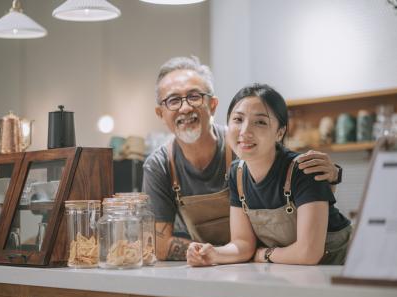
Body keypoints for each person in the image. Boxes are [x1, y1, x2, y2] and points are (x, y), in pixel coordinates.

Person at [143, 57, 343, 261]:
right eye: (173, 100)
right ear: (160, 113)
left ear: (213, 105)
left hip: (293, 264)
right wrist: (211, 254)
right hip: (244, 264)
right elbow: (159, 244)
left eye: (194, 96)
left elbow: (308, 239)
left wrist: (333, 175)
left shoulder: (247, 147)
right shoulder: (162, 166)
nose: (185, 108)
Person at [186, 83, 352, 266]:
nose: (245, 131)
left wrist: (265, 254)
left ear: (279, 132)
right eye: (238, 119)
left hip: (342, 270)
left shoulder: (304, 169)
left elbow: (309, 253)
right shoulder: (237, 174)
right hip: (292, 273)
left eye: (260, 122)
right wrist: (213, 253)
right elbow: (243, 244)